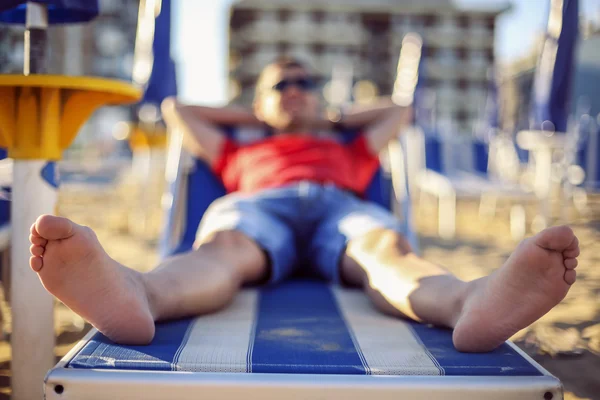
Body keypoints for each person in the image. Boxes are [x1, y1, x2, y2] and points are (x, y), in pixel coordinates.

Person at [29, 58, 580, 353]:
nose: (294, 89)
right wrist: (260, 116)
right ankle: (139, 294)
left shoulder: (351, 145)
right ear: (260, 101)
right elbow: (176, 107)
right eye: (281, 84)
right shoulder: (241, 146)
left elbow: (404, 108)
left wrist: (328, 119)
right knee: (223, 248)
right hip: (257, 205)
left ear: (319, 95)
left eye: (303, 83)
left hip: (340, 209)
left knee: (385, 249)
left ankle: (467, 302)